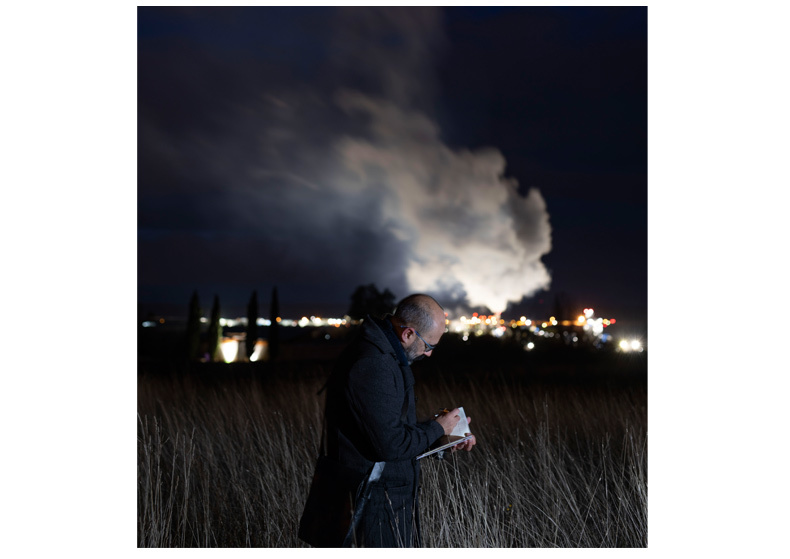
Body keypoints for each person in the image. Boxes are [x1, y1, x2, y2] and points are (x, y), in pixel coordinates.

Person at [321, 293, 476, 547]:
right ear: (408, 334)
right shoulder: (374, 365)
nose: (428, 355)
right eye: (429, 346)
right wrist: (437, 427)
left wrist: (442, 437)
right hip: (371, 507)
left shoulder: (387, 356)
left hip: (384, 502)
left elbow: (389, 431)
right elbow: (390, 445)